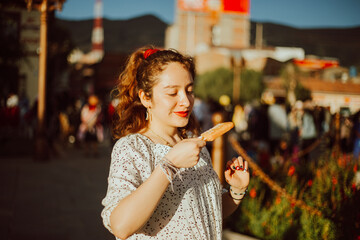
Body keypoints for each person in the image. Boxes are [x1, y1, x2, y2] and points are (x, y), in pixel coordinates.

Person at [101, 47, 250, 240]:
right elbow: (121, 226)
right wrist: (168, 165)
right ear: (146, 98)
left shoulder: (195, 144)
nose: (186, 101)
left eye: (189, 91)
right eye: (172, 93)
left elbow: (207, 213)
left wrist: (236, 191)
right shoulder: (132, 147)